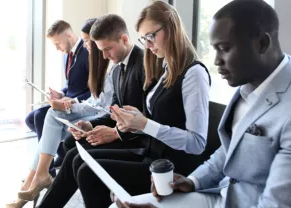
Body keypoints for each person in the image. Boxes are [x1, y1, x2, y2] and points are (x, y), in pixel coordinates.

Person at [112, 0, 291, 207]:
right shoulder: (248, 86)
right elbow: (230, 151)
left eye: (224, 49)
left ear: (261, 43)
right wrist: (193, 180)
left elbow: (275, 203)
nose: (216, 61)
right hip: (220, 194)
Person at [65, 1, 211, 207]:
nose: (148, 45)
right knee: (82, 162)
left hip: (170, 168)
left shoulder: (194, 73)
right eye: (144, 39)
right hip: (152, 155)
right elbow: (156, 121)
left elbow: (196, 143)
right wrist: (132, 122)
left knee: (87, 171)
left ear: (172, 29)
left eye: (151, 36)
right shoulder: (165, 68)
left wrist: (143, 125)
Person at [37, 14, 146, 208]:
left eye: (107, 49)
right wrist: (89, 125)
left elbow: (144, 119)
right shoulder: (117, 69)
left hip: (136, 143)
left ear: (124, 39)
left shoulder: (143, 66)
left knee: (78, 162)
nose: (104, 56)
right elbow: (113, 111)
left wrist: (114, 133)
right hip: (126, 134)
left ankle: (41, 179)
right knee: (72, 153)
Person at [5, 18, 113, 208]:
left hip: (92, 112)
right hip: (81, 105)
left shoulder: (101, 62)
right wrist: (63, 96)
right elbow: (90, 96)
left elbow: (98, 101)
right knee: (44, 120)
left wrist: (69, 104)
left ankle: (36, 178)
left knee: (49, 118)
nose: (87, 45)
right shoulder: (80, 57)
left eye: (88, 41)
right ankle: (39, 175)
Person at [25, 20, 91, 173]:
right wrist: (60, 93)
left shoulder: (87, 52)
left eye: (57, 43)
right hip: (66, 101)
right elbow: (72, 85)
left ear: (68, 35)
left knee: (41, 115)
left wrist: (74, 100)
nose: (57, 48)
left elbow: (94, 90)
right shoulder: (66, 55)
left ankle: (46, 169)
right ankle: (60, 154)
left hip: (80, 104)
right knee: (30, 118)